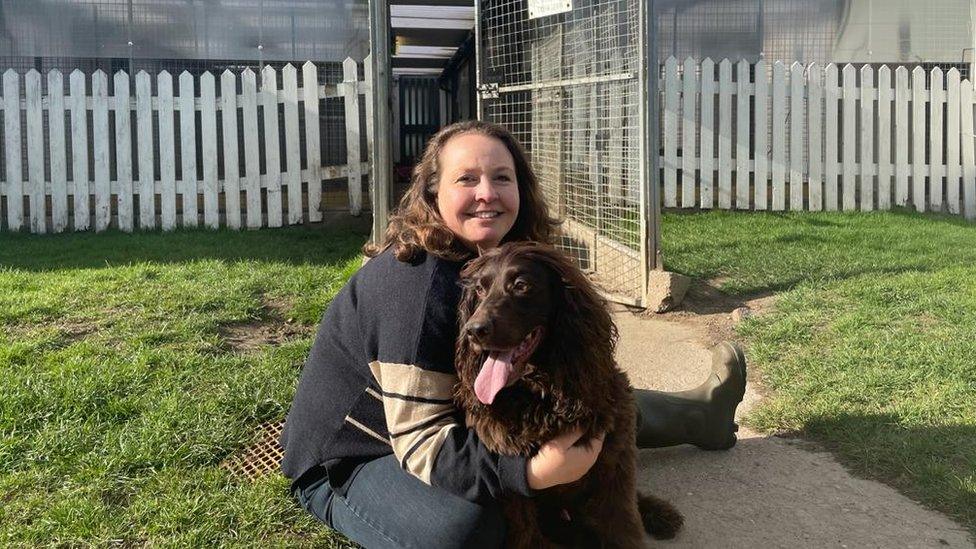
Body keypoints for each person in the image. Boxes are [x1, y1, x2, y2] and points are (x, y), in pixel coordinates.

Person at [280, 120, 746, 548]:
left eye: (502, 178)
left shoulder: (499, 253)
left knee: (588, 395)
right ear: (431, 192)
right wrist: (531, 472)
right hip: (361, 455)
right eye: (466, 179)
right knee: (468, 530)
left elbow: (575, 363)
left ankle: (700, 416)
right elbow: (422, 443)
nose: (487, 193)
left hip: (458, 412)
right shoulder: (415, 287)